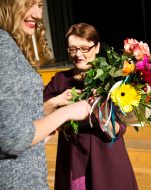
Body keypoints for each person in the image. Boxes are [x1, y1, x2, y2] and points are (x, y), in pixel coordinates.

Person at [0, 1, 91, 190]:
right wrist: (66, 113)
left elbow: (11, 121)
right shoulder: (2, 45)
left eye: (40, 5)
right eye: (28, 4)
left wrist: (48, 108)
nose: (38, 14)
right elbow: (14, 138)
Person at [43, 23, 138, 190]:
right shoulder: (59, 80)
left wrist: (99, 108)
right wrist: (55, 102)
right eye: (72, 49)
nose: (78, 54)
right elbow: (37, 116)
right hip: (73, 159)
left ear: (97, 47)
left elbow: (118, 130)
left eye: (84, 48)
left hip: (106, 159)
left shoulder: (112, 80)